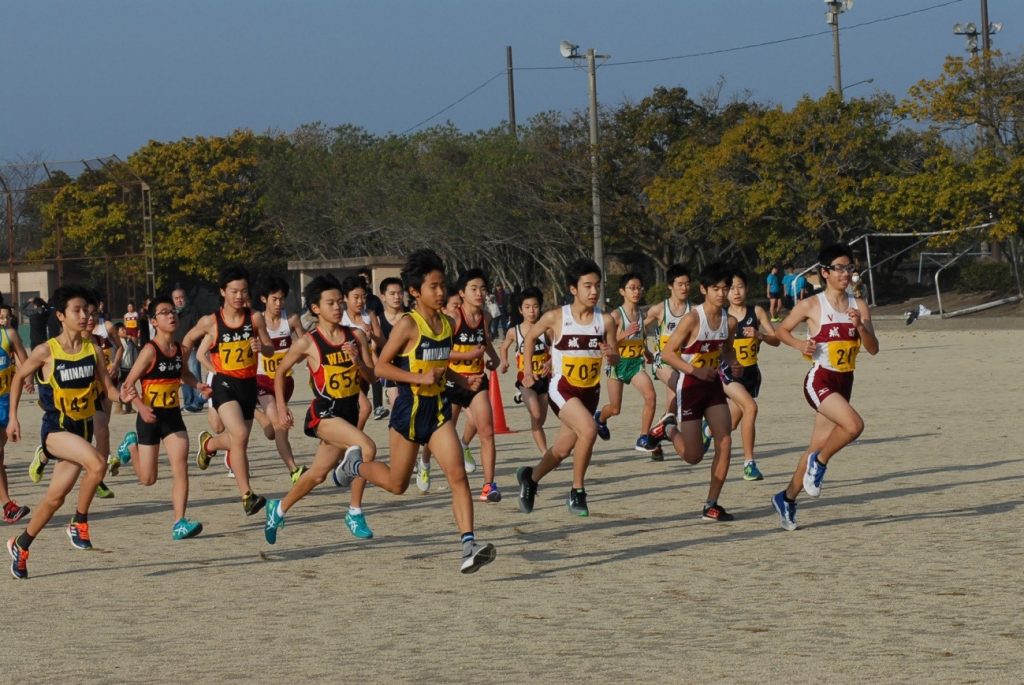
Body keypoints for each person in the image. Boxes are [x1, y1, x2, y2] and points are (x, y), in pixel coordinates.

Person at [319, 250, 495, 573]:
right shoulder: (407, 325)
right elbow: (383, 366)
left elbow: (440, 363)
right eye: (434, 286)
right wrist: (417, 378)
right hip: (409, 411)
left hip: (438, 409)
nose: (441, 292)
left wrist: (462, 380)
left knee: (457, 475)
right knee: (397, 484)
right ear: (415, 292)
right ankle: (355, 465)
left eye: (443, 285)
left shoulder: (445, 323)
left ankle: (468, 545)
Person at [5, 285, 120, 579]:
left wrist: (129, 396)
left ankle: (21, 543)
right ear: (60, 315)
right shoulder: (46, 351)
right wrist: (14, 418)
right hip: (56, 430)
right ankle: (78, 521)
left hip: (82, 432)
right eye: (77, 311)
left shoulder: (93, 350)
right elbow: (19, 378)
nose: (84, 316)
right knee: (97, 464)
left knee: (54, 499)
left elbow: (109, 390)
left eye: (87, 311)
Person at [264, 274, 380, 545]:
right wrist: (281, 408)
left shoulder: (357, 336)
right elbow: (280, 372)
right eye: (331, 303)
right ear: (316, 308)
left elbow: (373, 378)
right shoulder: (309, 342)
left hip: (349, 412)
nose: (338, 307)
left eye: (340, 302)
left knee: (316, 475)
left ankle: (278, 510)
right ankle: (354, 510)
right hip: (325, 413)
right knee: (367, 448)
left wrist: (358, 363)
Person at [770, 243, 879, 531]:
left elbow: (873, 348)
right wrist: (798, 344)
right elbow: (781, 330)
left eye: (850, 267)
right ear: (824, 272)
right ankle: (820, 462)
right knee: (854, 426)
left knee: (815, 445)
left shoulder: (860, 305)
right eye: (840, 268)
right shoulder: (812, 305)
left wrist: (861, 328)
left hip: (845, 382)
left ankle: (786, 498)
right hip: (820, 380)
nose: (846, 273)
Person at [516, 259, 618, 518]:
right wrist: (528, 370)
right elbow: (529, 337)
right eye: (587, 286)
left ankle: (531, 478)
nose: (594, 291)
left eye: (597, 286)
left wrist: (611, 354)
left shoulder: (605, 321)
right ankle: (577, 491)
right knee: (589, 429)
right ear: (573, 289)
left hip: (590, 392)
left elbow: (616, 356)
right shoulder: (556, 317)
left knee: (562, 449)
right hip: (562, 389)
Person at [648, 262, 742, 522]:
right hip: (689, 387)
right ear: (703, 290)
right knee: (693, 456)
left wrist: (734, 364)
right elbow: (667, 354)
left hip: (712, 387)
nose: (722, 294)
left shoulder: (729, 321)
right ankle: (668, 428)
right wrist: (693, 370)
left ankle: (711, 505)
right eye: (716, 289)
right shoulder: (692, 319)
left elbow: (726, 350)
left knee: (725, 441)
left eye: (726, 288)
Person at [114, 295, 211, 540]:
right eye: (164, 313)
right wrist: (140, 407)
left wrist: (198, 385)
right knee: (148, 479)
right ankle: (131, 444)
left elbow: (184, 374)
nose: (171, 316)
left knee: (181, 468)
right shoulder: (149, 351)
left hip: (172, 417)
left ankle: (179, 522)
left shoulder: (179, 349)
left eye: (172, 311)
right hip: (149, 418)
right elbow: (127, 385)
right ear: (154, 321)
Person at [182, 265, 273, 517]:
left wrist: (260, 347)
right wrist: (182, 367)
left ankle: (210, 444)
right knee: (241, 434)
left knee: (237, 440)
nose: (239, 296)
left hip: (248, 384)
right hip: (223, 383)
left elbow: (269, 348)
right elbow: (188, 340)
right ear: (223, 292)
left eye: (243, 291)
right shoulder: (211, 321)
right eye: (234, 291)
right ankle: (247, 495)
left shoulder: (255, 318)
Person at [446, 269, 501, 502]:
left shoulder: (485, 318)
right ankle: (425, 461)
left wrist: (495, 358)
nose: (479, 293)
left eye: (483, 289)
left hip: (477, 380)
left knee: (487, 431)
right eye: (474, 289)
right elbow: (442, 352)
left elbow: (485, 340)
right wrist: (467, 356)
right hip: (452, 380)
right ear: (462, 292)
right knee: (444, 433)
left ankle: (489, 486)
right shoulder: (453, 318)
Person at [720, 270, 779, 482]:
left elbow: (776, 339)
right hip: (729, 373)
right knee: (751, 409)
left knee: (732, 424)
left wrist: (760, 335)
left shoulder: (757, 312)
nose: (736, 292)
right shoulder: (722, 316)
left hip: (752, 373)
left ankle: (709, 429)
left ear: (747, 288)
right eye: (731, 288)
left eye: (740, 287)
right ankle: (749, 464)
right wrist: (728, 361)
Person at [595, 273, 658, 452]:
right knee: (615, 409)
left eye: (639, 288)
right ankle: (600, 418)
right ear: (622, 291)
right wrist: (625, 333)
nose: (636, 292)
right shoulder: (616, 315)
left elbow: (640, 335)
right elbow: (606, 341)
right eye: (632, 288)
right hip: (617, 363)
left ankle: (643, 437)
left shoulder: (641, 313)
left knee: (651, 396)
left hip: (635, 363)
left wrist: (645, 351)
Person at [254, 275, 307, 484]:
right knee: (281, 424)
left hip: (285, 381)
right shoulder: (256, 321)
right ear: (263, 299)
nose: (279, 303)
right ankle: (294, 470)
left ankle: (256, 414)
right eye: (274, 299)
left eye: (282, 299)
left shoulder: (291, 319)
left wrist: (297, 356)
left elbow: (306, 346)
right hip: (262, 380)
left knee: (272, 431)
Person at [642, 264, 692, 461]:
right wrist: (645, 349)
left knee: (671, 405)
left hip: (682, 361)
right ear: (671, 286)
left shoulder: (693, 311)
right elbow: (639, 329)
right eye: (680, 284)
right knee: (679, 384)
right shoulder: (659, 309)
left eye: (687, 284)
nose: (684, 288)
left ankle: (656, 436)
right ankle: (664, 430)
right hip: (662, 361)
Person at [498, 287, 550, 457]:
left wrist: (549, 362)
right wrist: (504, 362)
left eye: (535, 306)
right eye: (527, 307)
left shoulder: (547, 330)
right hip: (525, 379)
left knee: (540, 419)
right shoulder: (515, 331)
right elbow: (504, 347)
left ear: (540, 308)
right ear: (520, 309)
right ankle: (545, 452)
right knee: (535, 414)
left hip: (544, 379)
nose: (531, 311)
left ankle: (543, 446)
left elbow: (557, 350)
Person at [340, 276, 385, 429]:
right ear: (345, 298)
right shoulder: (340, 318)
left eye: (363, 297)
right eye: (356, 297)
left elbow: (383, 342)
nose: (360, 301)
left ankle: (349, 443)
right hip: (345, 372)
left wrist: (371, 334)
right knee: (365, 408)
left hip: (365, 370)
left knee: (357, 411)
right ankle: (354, 441)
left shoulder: (369, 315)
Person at [0, 306, 31, 523]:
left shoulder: (8, 335)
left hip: (3, 401)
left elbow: (25, 361)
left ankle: (7, 506)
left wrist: (28, 378)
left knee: (0, 456)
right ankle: (7, 505)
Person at [173, 288, 204, 413]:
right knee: (182, 375)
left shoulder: (192, 311)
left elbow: (198, 329)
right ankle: (188, 402)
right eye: (176, 298)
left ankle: (198, 402)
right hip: (177, 349)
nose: (179, 300)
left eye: (181, 297)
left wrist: (197, 344)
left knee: (194, 373)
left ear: (185, 298)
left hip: (191, 348)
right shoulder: (172, 314)